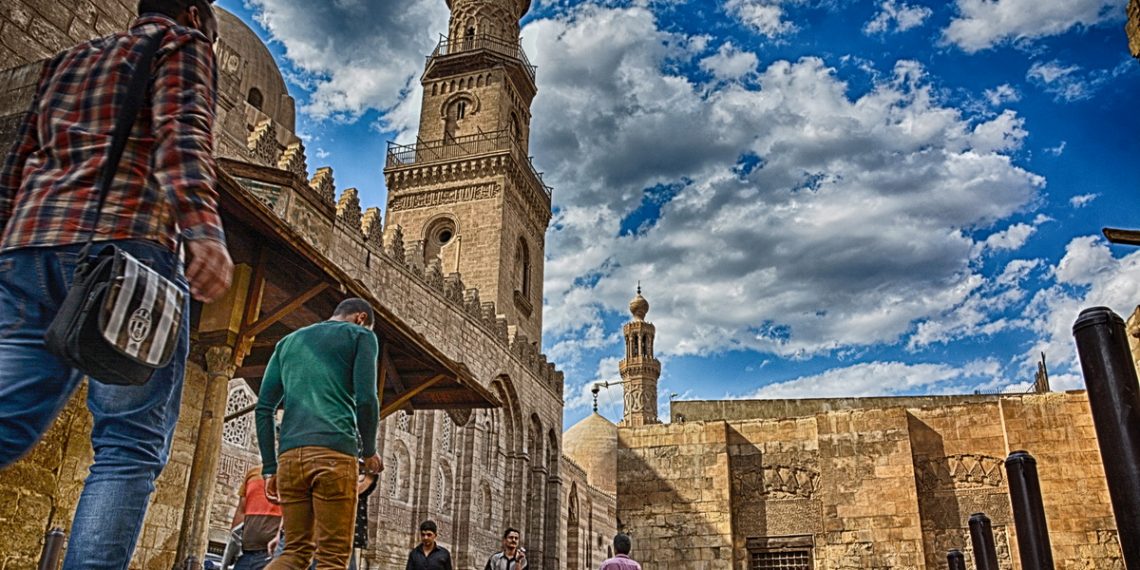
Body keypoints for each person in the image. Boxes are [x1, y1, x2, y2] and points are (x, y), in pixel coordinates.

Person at [0, 0, 233, 568]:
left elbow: (20, 161)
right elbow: (182, 138)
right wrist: (202, 230)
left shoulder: (67, 61)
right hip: (125, 254)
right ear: (195, 14)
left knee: (7, 414)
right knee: (128, 445)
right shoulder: (181, 46)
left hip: (31, 249)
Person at [255, 298, 382, 570]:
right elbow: (367, 400)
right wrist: (369, 451)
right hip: (334, 454)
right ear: (361, 318)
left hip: (290, 459)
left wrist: (269, 467)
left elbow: (264, 408)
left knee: (293, 553)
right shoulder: (361, 336)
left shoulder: (287, 342)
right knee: (332, 558)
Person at [230, 465, 283, 570]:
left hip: (272, 555)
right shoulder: (253, 473)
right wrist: (233, 546)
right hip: (245, 554)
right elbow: (241, 511)